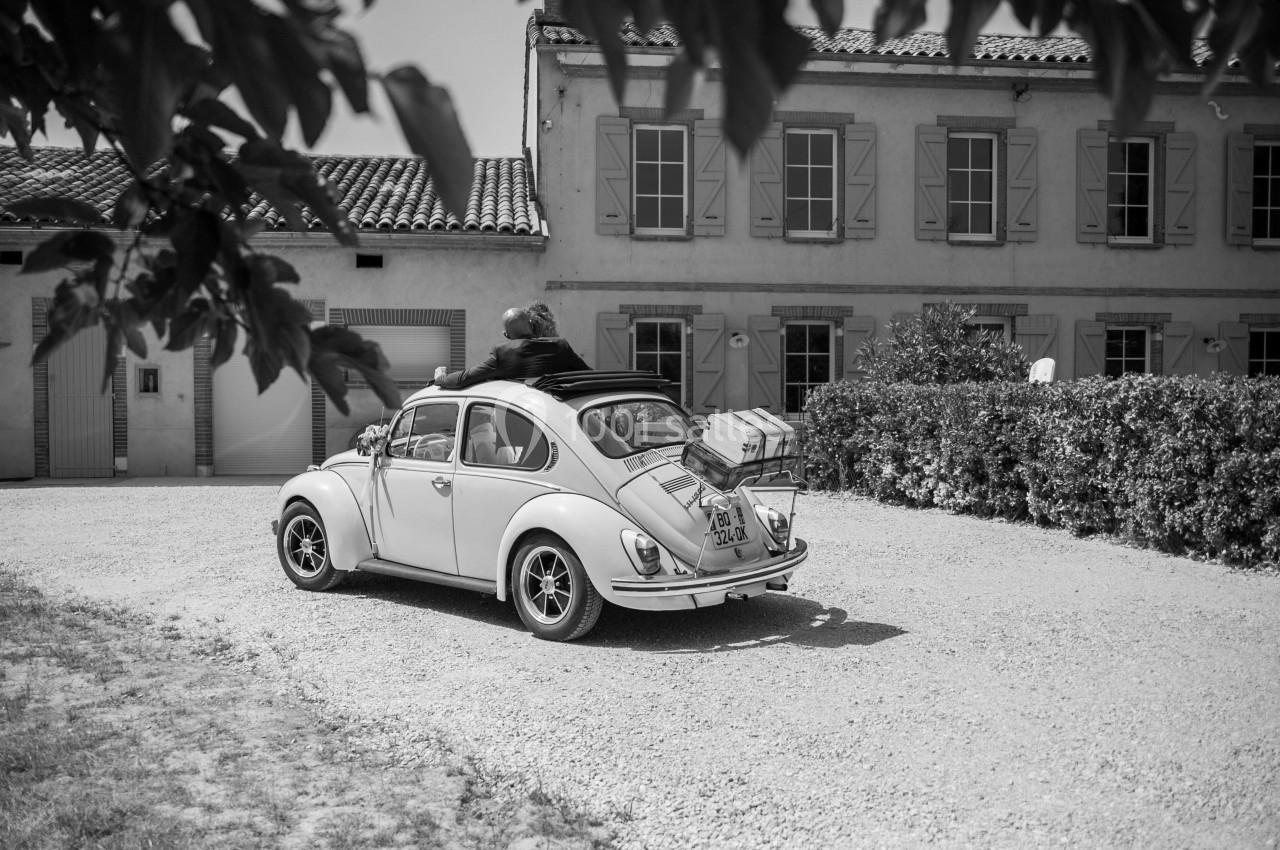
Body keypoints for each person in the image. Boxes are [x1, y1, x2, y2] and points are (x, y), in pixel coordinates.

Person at [434, 306, 589, 390]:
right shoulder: (560, 346)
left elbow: (464, 379)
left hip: (516, 424)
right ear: (531, 324)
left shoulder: (502, 353)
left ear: (506, 335)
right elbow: (589, 376)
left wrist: (440, 377)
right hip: (560, 422)